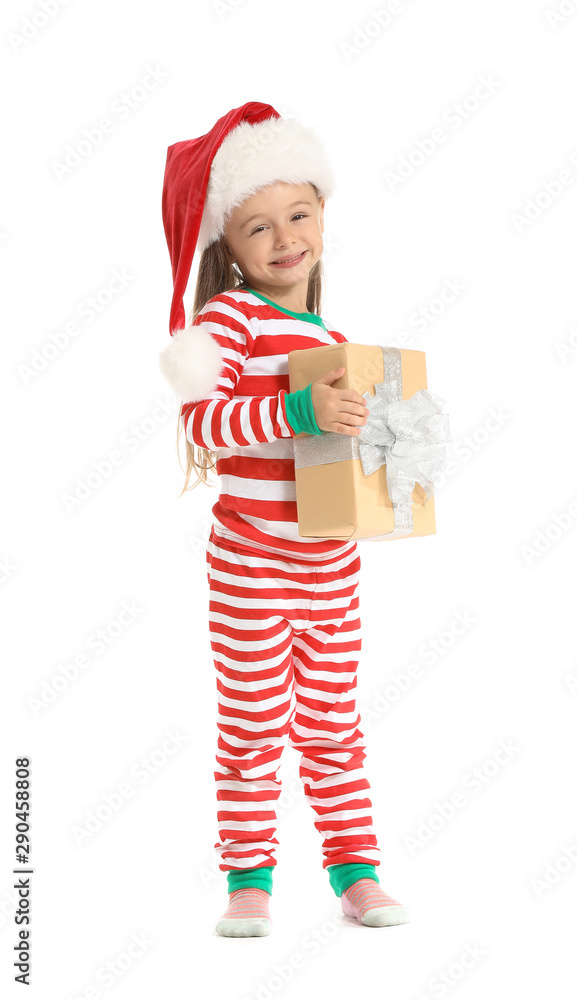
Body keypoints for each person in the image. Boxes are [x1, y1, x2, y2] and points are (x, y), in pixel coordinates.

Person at [159, 101, 410, 937]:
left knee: (334, 724)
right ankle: (248, 880)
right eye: (256, 227)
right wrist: (297, 409)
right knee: (254, 722)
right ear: (227, 248)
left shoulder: (331, 337)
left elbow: (336, 459)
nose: (283, 238)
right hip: (252, 566)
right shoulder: (229, 320)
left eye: (296, 214)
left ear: (322, 216)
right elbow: (204, 423)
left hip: (329, 565)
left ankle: (357, 871)